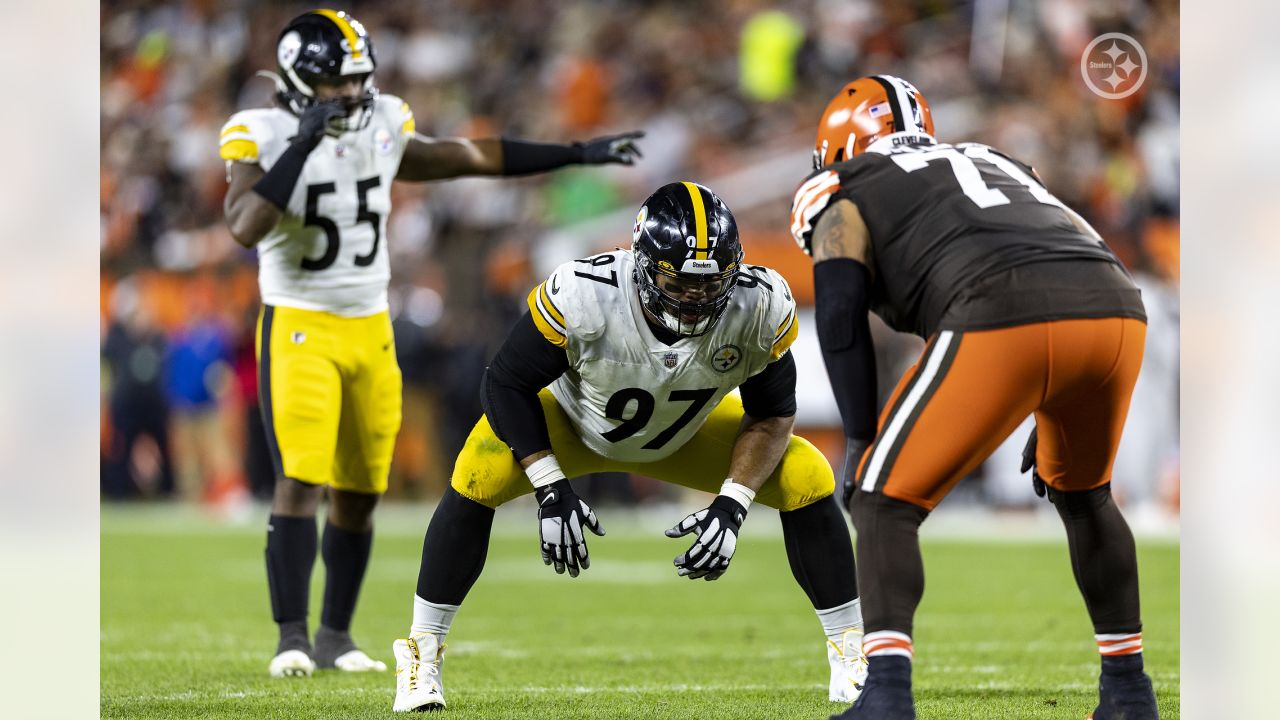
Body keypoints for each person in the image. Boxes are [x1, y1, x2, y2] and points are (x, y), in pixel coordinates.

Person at [219, 9, 644, 679]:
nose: (354, 95)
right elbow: (244, 226)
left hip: (370, 324)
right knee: (301, 477)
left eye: (360, 80)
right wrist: (301, 146)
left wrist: (574, 153)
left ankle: (336, 636)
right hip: (299, 321)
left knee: (360, 489)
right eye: (338, 83)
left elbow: (469, 157)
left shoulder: (384, 121)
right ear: (302, 84)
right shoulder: (262, 133)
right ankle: (291, 638)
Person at [392, 182, 867, 712]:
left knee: (807, 475)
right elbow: (503, 383)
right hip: (572, 424)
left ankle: (850, 653)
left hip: (682, 434)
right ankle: (421, 652)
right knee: (477, 471)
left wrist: (734, 502)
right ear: (641, 264)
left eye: (710, 287)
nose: (695, 299)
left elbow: (773, 414)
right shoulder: (585, 291)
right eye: (678, 282)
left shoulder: (760, 305)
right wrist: (549, 486)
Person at [789, 75, 1159, 720]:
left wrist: (857, 436)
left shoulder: (844, 189)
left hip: (1002, 308)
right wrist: (1049, 396)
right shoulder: (997, 160)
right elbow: (1063, 237)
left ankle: (886, 698)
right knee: (1085, 495)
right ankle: (1129, 693)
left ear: (839, 147)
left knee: (881, 499)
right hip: (1116, 307)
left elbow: (841, 309)